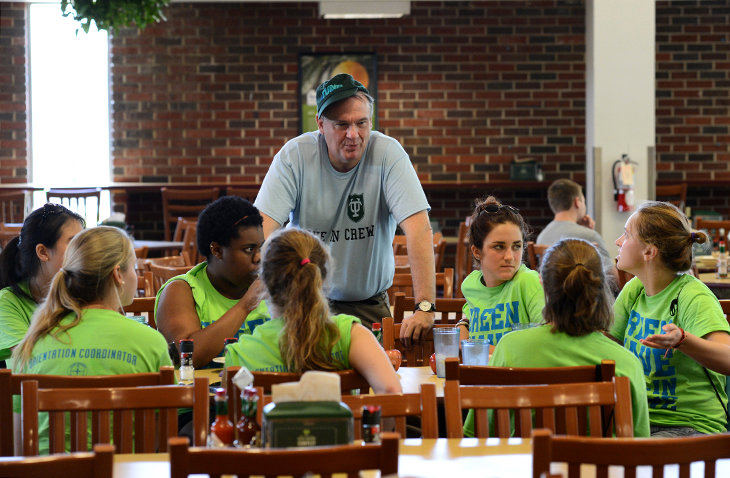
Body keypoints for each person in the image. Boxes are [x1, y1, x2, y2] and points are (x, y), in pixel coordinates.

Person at [254, 73, 435, 347]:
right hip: (306, 304)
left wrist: (424, 307)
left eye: (361, 123)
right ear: (320, 124)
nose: (353, 135)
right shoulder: (294, 156)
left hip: (368, 306)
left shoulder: (388, 153)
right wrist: (264, 298)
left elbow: (419, 229)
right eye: (342, 125)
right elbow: (262, 232)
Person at [12, 226, 172, 454]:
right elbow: (159, 443)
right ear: (118, 274)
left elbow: (20, 446)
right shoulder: (152, 342)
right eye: (133, 268)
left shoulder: (31, 343)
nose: (135, 276)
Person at [483, 238, 650, 437]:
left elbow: (481, 431)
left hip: (526, 466)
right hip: (599, 467)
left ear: (543, 284)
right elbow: (638, 445)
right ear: (601, 288)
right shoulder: (626, 363)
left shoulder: (510, 347)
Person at [225, 228, 401, 395]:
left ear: (265, 284)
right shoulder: (350, 334)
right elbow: (392, 391)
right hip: (341, 428)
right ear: (322, 279)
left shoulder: (240, 354)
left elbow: (235, 416)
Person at [610, 201, 730, 436]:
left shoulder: (693, 295)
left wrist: (682, 340)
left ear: (649, 251)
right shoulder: (635, 289)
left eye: (626, 234)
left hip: (689, 427)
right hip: (638, 421)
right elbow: (603, 344)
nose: (618, 241)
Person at [156, 196, 270, 370]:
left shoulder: (272, 287)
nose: (258, 258)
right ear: (217, 250)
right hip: (201, 394)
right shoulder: (182, 290)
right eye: (248, 249)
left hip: (261, 392)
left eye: (261, 248)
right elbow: (186, 357)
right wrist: (245, 305)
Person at [0, 203, 84, 369]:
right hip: (32, 392)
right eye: (74, 244)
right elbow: (30, 363)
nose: (84, 251)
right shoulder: (7, 302)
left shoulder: (80, 293)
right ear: (43, 252)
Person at [457, 197, 545, 348]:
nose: (510, 256)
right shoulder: (470, 284)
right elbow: (470, 318)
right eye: (499, 246)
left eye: (516, 246)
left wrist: (479, 349)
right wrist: (462, 325)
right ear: (477, 252)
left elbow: (548, 339)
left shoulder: (529, 282)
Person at [537, 179, 615, 275]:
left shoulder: (541, 236)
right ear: (577, 202)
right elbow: (615, 279)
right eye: (584, 201)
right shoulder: (589, 236)